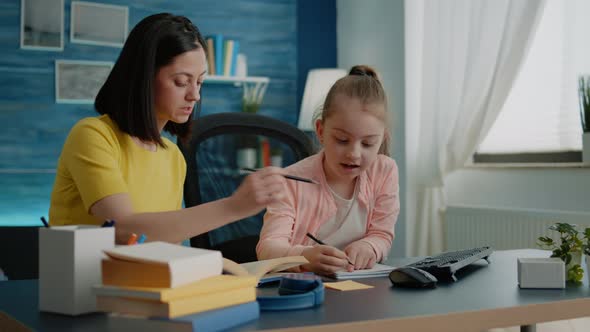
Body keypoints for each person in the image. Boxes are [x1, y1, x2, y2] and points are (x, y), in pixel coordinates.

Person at [49, 13, 287, 245]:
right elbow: (121, 230)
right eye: (181, 82)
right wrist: (233, 206)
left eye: (200, 82)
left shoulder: (173, 157)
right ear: (144, 77)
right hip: (83, 280)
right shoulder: (93, 135)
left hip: (142, 281)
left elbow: (163, 243)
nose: (195, 95)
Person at [256, 65, 400, 275]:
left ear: (382, 139)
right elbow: (267, 248)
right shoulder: (289, 181)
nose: (354, 153)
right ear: (321, 131)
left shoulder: (384, 171)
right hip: (302, 289)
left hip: (359, 287)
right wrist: (304, 258)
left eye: (368, 143)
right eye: (342, 140)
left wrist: (370, 246)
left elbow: (382, 234)